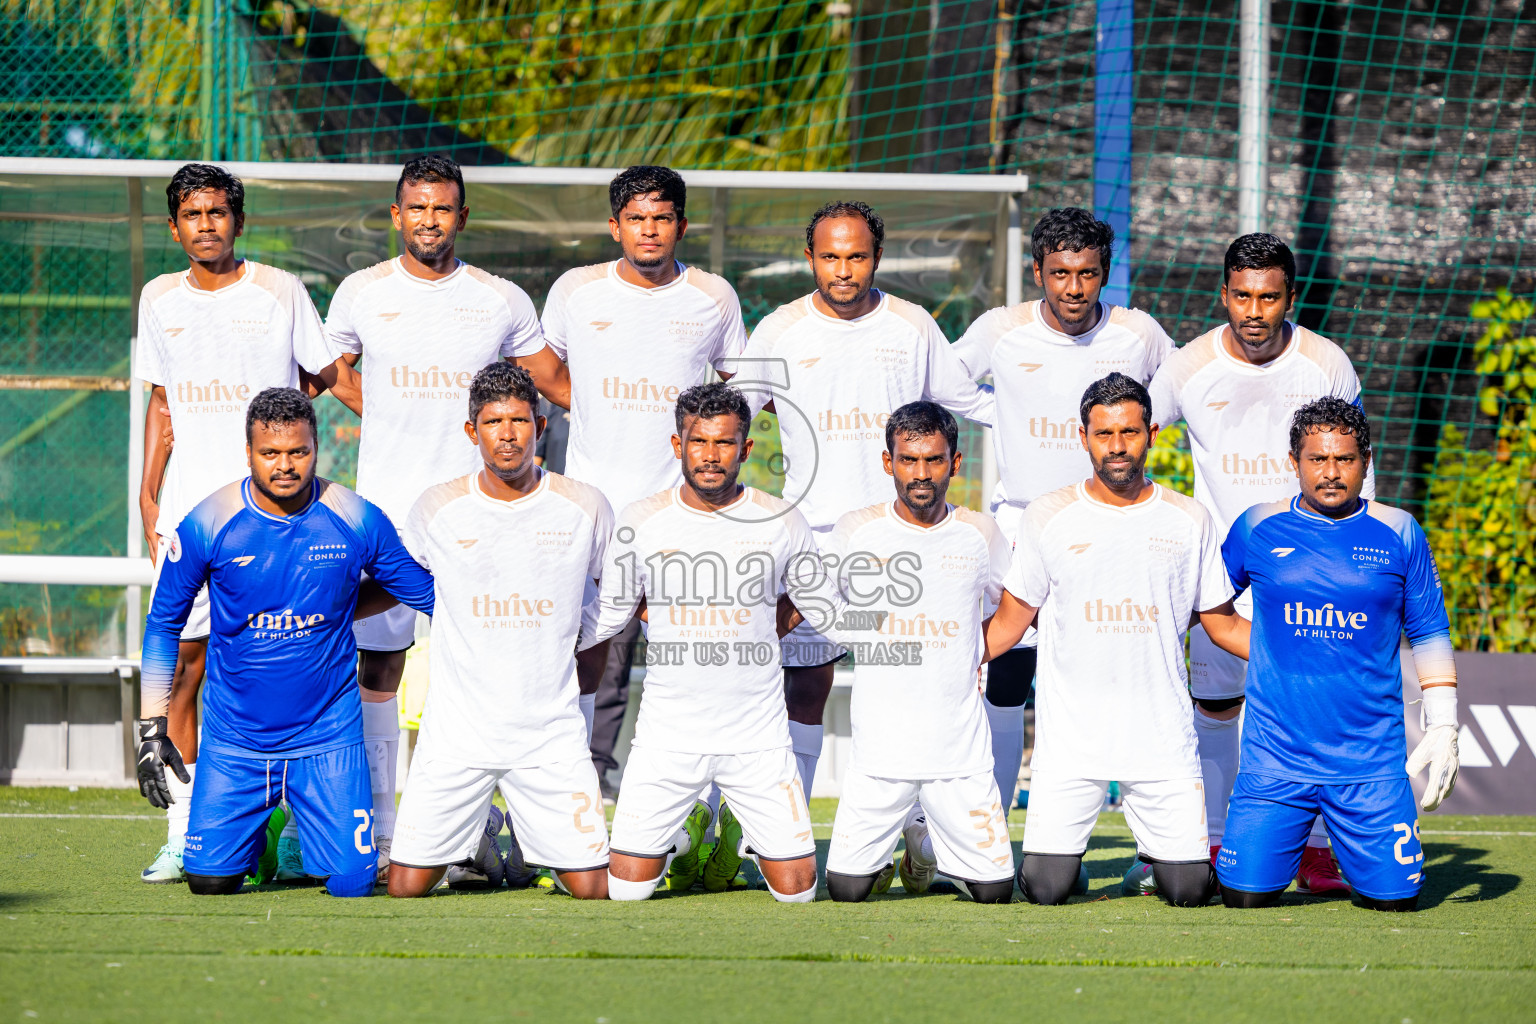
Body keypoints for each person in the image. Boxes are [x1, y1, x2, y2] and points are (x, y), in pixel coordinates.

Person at [320, 155, 566, 875]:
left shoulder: (500, 299)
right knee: (379, 664)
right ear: (397, 215)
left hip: (479, 516)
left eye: (443, 208)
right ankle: (382, 829)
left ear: (462, 216)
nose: (430, 221)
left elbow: (554, 384)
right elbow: (328, 368)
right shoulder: (361, 291)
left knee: (479, 668)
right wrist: (380, 408)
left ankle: (468, 831)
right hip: (387, 515)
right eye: (418, 208)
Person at [729, 200, 993, 803]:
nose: (843, 270)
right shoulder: (781, 328)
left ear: (877, 258)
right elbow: (733, 415)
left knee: (917, 682)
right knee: (802, 685)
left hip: (901, 539)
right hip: (812, 538)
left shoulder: (911, 324)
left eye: (856, 257)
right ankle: (785, 824)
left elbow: (968, 401)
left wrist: (1050, 425)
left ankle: (923, 824)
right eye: (830, 257)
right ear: (810, 258)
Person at [134, 389, 436, 897]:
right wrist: (150, 726)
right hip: (235, 739)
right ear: (248, 452)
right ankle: (262, 826)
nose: (285, 465)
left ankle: (287, 821)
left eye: (298, 451)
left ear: (316, 447)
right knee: (208, 881)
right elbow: (164, 623)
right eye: (270, 453)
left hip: (328, 737)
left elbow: (424, 592)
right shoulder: (208, 521)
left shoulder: (357, 516)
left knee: (351, 883)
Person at [1149, 232, 1373, 895]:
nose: (1254, 311)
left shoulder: (1326, 364)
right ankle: (1214, 839)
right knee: (1217, 707)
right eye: (1242, 296)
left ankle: (1318, 851)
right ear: (1224, 294)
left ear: (1290, 298)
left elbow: (1359, 464)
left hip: (1311, 577)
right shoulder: (1188, 367)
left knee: (1315, 711)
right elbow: (1129, 440)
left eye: (1268, 298)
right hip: (1220, 574)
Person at [132, 162, 338, 884]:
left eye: (218, 212)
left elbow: (322, 378)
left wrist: (282, 437)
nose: (206, 224)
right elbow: (163, 403)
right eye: (192, 214)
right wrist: (148, 494)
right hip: (191, 518)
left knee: (287, 664)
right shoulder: (158, 298)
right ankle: (183, 831)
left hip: (277, 516)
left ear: (238, 221)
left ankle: (294, 832)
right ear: (174, 227)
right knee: (184, 669)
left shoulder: (281, 290)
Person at [982, 373, 1250, 907]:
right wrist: (943, 659)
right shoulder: (1047, 516)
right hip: (1072, 742)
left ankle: (1153, 864)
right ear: (1083, 437)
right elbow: (1012, 620)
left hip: (1161, 739)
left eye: (1129, 431)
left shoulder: (1189, 518)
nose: (1117, 445)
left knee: (1189, 891)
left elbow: (1221, 623)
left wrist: (1304, 654)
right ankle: (1066, 866)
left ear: (1152, 433)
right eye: (1104, 434)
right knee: (1046, 888)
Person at [951, 207, 1176, 821]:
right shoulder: (1001, 329)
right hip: (1023, 526)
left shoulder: (1137, 333)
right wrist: (1002, 413)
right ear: (1038, 272)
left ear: (1105, 272)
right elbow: (943, 382)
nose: (1074, 288)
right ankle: (990, 839)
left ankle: (1153, 843)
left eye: (1087, 273)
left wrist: (1136, 432)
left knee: (1117, 673)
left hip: (1112, 524)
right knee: (1006, 678)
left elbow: (1178, 388)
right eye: (1060, 273)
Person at [539, 165, 748, 804]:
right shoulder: (576, 290)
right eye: (636, 218)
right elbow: (544, 369)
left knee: (692, 654)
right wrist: (589, 406)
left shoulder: (713, 296)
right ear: (615, 226)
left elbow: (741, 391)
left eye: (661, 218)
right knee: (591, 649)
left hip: (683, 512)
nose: (649, 230)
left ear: (682, 225)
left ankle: (696, 796)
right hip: (593, 506)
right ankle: (579, 779)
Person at [580, 383, 836, 903]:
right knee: (626, 891)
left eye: (724, 443)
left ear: (746, 448)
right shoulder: (642, 519)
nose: (711, 455)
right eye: (699, 441)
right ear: (679, 445)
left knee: (797, 893)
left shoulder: (782, 519)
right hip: (667, 738)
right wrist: (544, 639)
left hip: (758, 738)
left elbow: (824, 606)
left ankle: (740, 833)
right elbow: (610, 613)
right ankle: (684, 833)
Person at [1216, 398, 1457, 912]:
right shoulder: (1257, 526)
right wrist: (1272, 650)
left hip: (1369, 761)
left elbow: (1430, 630)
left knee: (1396, 903)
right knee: (1243, 897)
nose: (1331, 472)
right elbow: (1212, 611)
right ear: (1294, 461)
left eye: (1344, 459)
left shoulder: (1400, 530)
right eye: (1317, 459)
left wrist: (1444, 724)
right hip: (1275, 758)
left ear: (1365, 461)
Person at [386, 364, 612, 900]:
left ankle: (534, 847)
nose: (507, 434)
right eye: (492, 422)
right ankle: (485, 832)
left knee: (593, 890)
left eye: (519, 420)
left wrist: (577, 645)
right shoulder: (437, 506)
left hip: (548, 734)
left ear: (540, 425)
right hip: (457, 732)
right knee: (405, 888)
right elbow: (399, 579)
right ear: (472, 431)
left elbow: (616, 594)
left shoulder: (585, 504)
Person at [821, 402, 1013, 904]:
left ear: (955, 462)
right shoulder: (856, 530)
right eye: (908, 460)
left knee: (994, 893)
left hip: (960, 754)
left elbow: (1015, 609)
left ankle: (920, 851)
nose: (921, 473)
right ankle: (896, 845)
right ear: (889, 462)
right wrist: (871, 636)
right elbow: (821, 602)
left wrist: (971, 650)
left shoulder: (981, 532)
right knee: (846, 890)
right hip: (879, 753)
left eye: (933, 459)